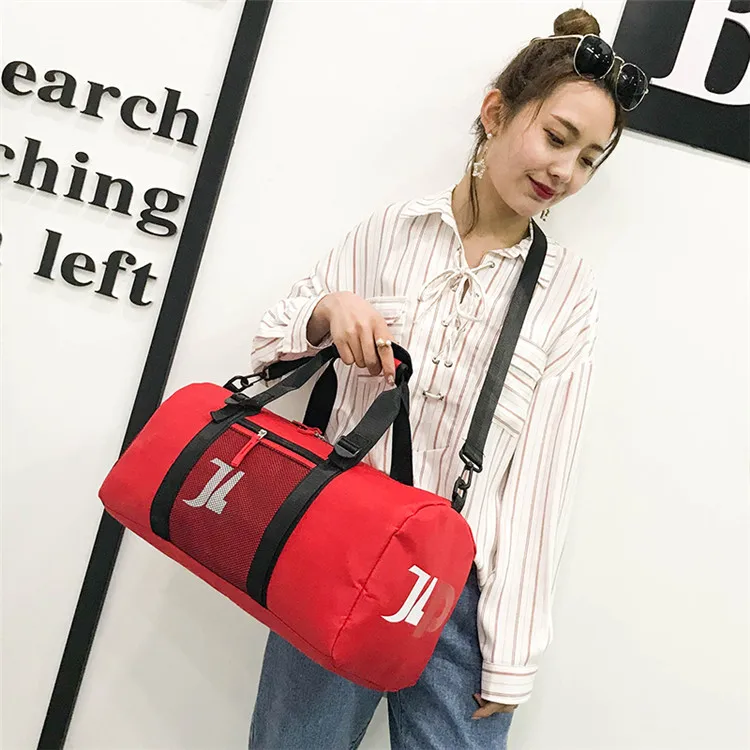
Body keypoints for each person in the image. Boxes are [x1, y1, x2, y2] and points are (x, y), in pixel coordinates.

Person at [247, 7, 648, 749]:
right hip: (338, 556)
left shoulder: (566, 294)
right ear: (495, 113)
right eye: (557, 137)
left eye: (590, 158)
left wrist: (512, 651)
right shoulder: (390, 231)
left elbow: (540, 483)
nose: (565, 171)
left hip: (460, 598)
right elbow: (269, 345)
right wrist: (328, 312)